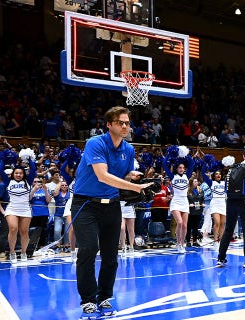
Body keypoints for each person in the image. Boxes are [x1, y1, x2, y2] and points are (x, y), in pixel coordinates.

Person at [71, 106, 154, 319]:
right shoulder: (95, 143)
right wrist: (135, 188)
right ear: (109, 124)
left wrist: (132, 176)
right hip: (86, 203)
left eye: (127, 122)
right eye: (120, 122)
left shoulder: (129, 149)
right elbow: (103, 175)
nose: (125, 126)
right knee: (88, 249)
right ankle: (88, 299)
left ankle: (105, 295)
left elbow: (120, 175)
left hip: (112, 204)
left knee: (111, 254)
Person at [216, 147, 245, 269]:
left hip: (231, 200)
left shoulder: (234, 167)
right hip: (244, 200)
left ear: (242, 156)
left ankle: (220, 258)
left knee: (228, 229)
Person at [0, 158, 36, 263]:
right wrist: (3, 159)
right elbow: (0, 170)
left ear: (23, 174)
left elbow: (33, 169)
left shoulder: (28, 181)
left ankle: (24, 252)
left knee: (24, 231)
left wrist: (29, 158)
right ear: (13, 174)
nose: (18, 175)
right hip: (12, 208)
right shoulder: (8, 181)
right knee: (13, 228)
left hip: (25, 209)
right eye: (16, 173)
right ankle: (12, 252)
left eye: (20, 173)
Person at [163, 154, 195, 253]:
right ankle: (178, 242)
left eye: (183, 168)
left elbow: (192, 163)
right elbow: (164, 165)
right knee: (180, 222)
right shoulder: (173, 176)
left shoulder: (187, 175)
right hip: (176, 200)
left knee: (184, 225)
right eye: (179, 167)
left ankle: (182, 243)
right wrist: (169, 154)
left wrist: (186, 154)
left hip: (185, 201)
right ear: (176, 168)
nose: (181, 169)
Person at [207, 170, 226, 248]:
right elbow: (204, 177)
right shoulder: (211, 183)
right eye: (216, 174)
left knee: (222, 223)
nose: (218, 175)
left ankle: (221, 240)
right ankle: (215, 240)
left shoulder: (224, 183)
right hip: (215, 202)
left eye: (219, 174)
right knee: (217, 222)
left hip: (222, 203)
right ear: (214, 176)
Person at [186, 177, 204, 247]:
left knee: (196, 227)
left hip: (198, 210)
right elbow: (185, 199)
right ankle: (188, 241)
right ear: (191, 183)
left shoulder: (200, 190)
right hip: (190, 211)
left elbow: (202, 199)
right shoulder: (188, 191)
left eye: (197, 181)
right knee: (189, 226)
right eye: (194, 181)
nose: (196, 183)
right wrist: (188, 204)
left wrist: (203, 203)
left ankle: (195, 241)